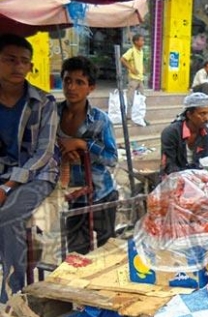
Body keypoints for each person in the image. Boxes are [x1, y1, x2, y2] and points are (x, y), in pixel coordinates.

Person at [0, 34, 59, 303]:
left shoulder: (44, 102)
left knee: (9, 215)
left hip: (38, 174)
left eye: (24, 61)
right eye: (10, 60)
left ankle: (12, 296)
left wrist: (8, 185)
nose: (18, 67)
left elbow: (43, 153)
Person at [58, 56, 119, 255]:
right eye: (67, 80)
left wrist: (84, 144)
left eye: (79, 82)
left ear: (90, 87)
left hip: (101, 195)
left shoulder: (100, 121)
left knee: (105, 253)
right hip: (73, 198)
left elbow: (112, 158)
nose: (71, 87)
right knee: (76, 254)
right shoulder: (51, 115)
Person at [160, 92, 208, 177]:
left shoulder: (205, 132)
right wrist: (187, 179)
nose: (207, 118)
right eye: (202, 113)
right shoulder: (171, 133)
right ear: (189, 114)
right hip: (174, 179)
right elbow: (169, 165)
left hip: (198, 177)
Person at [120, 33, 145, 120]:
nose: (143, 42)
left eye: (143, 40)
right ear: (136, 42)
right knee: (130, 97)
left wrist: (143, 68)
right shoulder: (131, 51)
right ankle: (128, 115)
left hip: (140, 78)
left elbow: (140, 62)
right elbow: (122, 59)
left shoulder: (141, 51)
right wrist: (131, 68)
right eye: (141, 40)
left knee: (141, 98)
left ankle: (139, 115)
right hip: (133, 79)